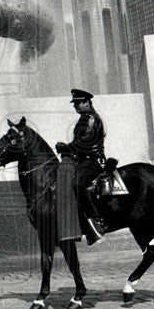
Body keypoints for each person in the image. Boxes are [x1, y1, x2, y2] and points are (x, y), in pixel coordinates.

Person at [55, 88, 107, 242]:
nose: (75, 106)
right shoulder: (84, 118)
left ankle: (96, 219)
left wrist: (66, 147)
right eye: (74, 103)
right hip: (83, 161)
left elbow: (85, 142)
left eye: (78, 103)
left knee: (78, 183)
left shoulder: (91, 119)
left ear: (87, 102)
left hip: (92, 161)